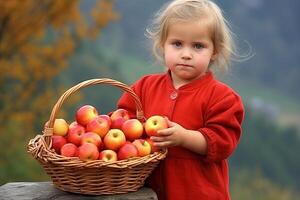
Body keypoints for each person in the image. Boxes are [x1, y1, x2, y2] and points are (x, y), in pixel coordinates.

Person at [117, 0, 245, 199]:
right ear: (162, 44)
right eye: (177, 44)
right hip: (146, 193)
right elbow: (121, 124)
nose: (186, 54)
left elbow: (222, 142)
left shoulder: (222, 98)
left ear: (215, 50)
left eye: (198, 46)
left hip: (199, 193)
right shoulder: (143, 88)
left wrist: (185, 138)